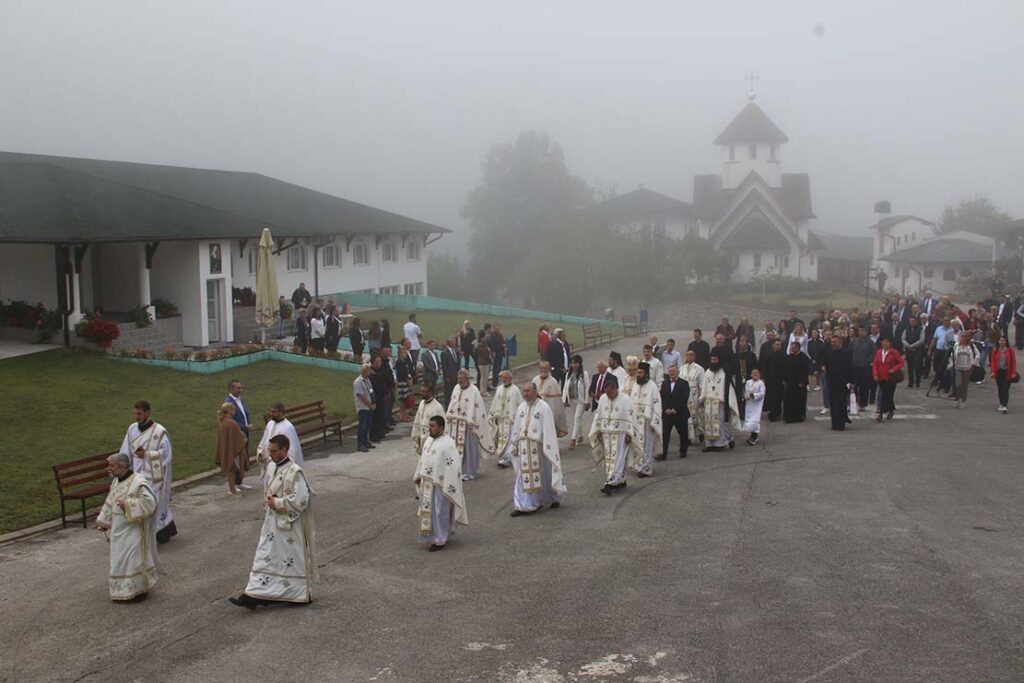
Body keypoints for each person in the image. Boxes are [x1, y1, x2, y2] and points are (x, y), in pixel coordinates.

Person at [229, 434, 316, 609]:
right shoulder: (270, 467)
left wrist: (277, 503)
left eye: (274, 450)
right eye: (270, 450)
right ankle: (253, 594)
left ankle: (295, 593)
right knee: (265, 556)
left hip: (289, 527)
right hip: (271, 525)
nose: (271, 453)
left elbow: (301, 499)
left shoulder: (294, 472)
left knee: (288, 561)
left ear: (284, 450)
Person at [95, 453, 158, 602]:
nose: (108, 468)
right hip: (119, 530)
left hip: (134, 530)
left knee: (133, 561)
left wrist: (128, 505)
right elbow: (110, 502)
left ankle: (139, 591)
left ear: (122, 466)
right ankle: (121, 591)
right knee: (119, 560)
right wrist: (104, 522)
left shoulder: (139, 482)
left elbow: (150, 502)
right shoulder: (116, 481)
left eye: (111, 465)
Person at [504, 382, 567, 516]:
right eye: (524, 391)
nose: (525, 394)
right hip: (523, 447)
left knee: (545, 474)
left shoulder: (544, 407)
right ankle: (524, 504)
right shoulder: (521, 407)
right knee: (523, 475)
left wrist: (547, 446)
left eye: (528, 391)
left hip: (539, 447)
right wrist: (514, 445)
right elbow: (516, 427)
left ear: (535, 391)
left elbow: (549, 429)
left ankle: (552, 497)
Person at [119, 401, 176, 544]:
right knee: (140, 504)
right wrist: (122, 467)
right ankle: (143, 536)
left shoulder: (159, 431)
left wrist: (147, 454)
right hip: (137, 475)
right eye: (135, 413)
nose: (136, 416)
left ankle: (159, 533)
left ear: (148, 413)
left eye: (139, 413)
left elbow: (166, 454)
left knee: (154, 504)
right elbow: (125, 450)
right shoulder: (132, 429)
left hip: (154, 476)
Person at [588, 377, 638, 495]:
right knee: (610, 458)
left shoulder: (626, 400)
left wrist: (630, 434)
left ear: (615, 389)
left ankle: (610, 483)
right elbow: (598, 415)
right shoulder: (603, 398)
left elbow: (631, 418)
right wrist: (598, 430)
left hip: (621, 434)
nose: (608, 396)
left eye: (610, 393)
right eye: (606, 393)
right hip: (607, 434)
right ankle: (620, 480)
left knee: (619, 458)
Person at [445, 369, 493, 480]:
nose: (459, 381)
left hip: (468, 425)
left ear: (467, 378)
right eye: (458, 379)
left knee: (469, 448)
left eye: (461, 379)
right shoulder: (456, 388)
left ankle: (469, 471)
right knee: (454, 448)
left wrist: (473, 422)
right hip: (456, 424)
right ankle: (457, 470)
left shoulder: (474, 390)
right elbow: (453, 402)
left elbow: (478, 408)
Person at [701, 352, 742, 451]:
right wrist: (702, 397)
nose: (713, 362)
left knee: (721, 423)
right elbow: (704, 386)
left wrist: (727, 400)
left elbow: (728, 388)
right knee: (708, 423)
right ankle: (710, 444)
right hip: (709, 402)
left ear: (719, 360)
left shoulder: (724, 372)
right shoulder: (707, 372)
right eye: (711, 360)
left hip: (721, 402)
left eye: (715, 360)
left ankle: (722, 442)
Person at [628, 362, 662, 477]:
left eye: (640, 372)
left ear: (646, 374)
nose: (638, 374)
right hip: (637, 421)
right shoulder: (636, 386)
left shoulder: (652, 386)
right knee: (637, 444)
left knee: (647, 445)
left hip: (647, 422)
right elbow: (631, 403)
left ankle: (646, 468)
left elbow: (657, 405)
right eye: (637, 372)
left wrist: (654, 423)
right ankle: (638, 466)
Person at [491, 371, 524, 467]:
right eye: (502, 378)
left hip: (510, 420)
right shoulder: (499, 389)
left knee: (510, 439)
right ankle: (502, 457)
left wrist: (518, 418)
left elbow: (519, 405)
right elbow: (495, 402)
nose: (504, 379)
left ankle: (508, 458)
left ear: (510, 378)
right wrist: (494, 415)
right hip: (501, 419)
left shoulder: (515, 390)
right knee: (501, 439)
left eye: (506, 377)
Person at [225, 379, 253, 491]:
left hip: (244, 432)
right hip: (236, 434)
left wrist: (249, 423)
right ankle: (234, 484)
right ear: (231, 389)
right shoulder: (228, 402)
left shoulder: (240, 400)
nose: (240, 390)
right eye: (237, 388)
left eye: (241, 387)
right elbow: (230, 420)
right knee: (236, 458)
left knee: (243, 456)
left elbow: (246, 412)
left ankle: (240, 481)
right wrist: (245, 426)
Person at [257, 402, 304, 469]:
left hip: (280, 466)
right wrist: (260, 455)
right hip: (268, 465)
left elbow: (292, 451)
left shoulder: (288, 427)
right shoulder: (270, 424)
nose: (271, 414)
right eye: (270, 411)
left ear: (281, 412)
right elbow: (263, 442)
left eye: (274, 412)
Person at [822, 335, 854, 431]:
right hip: (832, 381)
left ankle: (841, 423)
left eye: (835, 342)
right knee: (833, 403)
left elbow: (851, 367)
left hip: (843, 381)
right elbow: (826, 365)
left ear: (840, 342)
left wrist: (851, 381)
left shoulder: (847, 352)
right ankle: (834, 423)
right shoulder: (829, 353)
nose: (833, 344)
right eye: (832, 342)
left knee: (841, 403)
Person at [217, 403, 248, 495]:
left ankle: (233, 487)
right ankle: (232, 489)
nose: (234, 411)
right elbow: (238, 436)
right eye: (233, 409)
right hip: (233, 449)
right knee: (232, 468)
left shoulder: (223, 421)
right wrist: (243, 439)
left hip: (227, 448)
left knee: (231, 468)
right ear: (229, 411)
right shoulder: (231, 422)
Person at [660, 364, 690, 458]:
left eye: (674, 371)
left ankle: (683, 451)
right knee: (665, 434)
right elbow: (662, 397)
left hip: (680, 413)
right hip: (667, 414)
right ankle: (663, 453)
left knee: (683, 433)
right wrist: (666, 409)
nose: (672, 373)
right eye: (670, 371)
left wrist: (675, 409)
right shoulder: (664, 383)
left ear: (678, 372)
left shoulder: (684, 383)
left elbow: (684, 398)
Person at [872, 336, 905, 422]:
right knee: (887, 395)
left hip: (891, 378)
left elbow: (901, 362)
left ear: (890, 343)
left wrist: (894, 369)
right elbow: (875, 364)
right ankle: (890, 410)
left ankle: (881, 414)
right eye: (883, 342)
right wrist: (875, 374)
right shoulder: (879, 352)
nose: (885, 343)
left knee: (886, 395)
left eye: (887, 342)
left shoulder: (894, 352)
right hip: (881, 377)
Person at [561, 355, 590, 449]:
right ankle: (580, 436)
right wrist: (564, 399)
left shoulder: (583, 374)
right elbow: (565, 387)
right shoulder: (568, 374)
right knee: (576, 418)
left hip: (580, 400)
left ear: (580, 364)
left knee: (577, 418)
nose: (574, 365)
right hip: (572, 399)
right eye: (572, 363)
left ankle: (573, 440)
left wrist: (587, 400)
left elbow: (587, 388)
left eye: (576, 363)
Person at [533, 361, 568, 437]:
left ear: (549, 369)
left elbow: (555, 402)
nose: (544, 370)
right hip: (535, 411)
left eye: (546, 368)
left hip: (547, 412)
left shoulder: (553, 382)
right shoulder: (535, 380)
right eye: (542, 368)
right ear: (539, 369)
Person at [680, 350, 705, 443]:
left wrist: (701, 397)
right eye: (687, 355)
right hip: (685, 396)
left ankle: (700, 432)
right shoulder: (682, 368)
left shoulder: (699, 369)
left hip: (695, 395)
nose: (689, 357)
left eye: (691, 355)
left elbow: (702, 384)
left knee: (696, 417)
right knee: (686, 417)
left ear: (694, 357)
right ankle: (688, 437)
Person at [783, 341, 811, 423]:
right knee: (788, 400)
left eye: (793, 347)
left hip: (799, 384)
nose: (791, 349)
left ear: (798, 348)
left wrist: (802, 381)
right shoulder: (789, 357)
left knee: (799, 400)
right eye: (791, 347)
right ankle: (788, 416)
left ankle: (799, 416)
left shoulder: (803, 357)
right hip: (790, 383)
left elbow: (805, 371)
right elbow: (786, 369)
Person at [850, 326, 877, 410]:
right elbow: (849, 352)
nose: (861, 332)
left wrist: (867, 362)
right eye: (859, 331)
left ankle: (863, 404)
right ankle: (855, 402)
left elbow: (873, 354)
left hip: (865, 368)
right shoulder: (854, 341)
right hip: (854, 367)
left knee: (864, 387)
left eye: (863, 331)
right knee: (854, 385)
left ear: (866, 332)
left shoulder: (870, 342)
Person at [951, 331, 980, 408]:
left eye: (965, 336)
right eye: (962, 336)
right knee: (958, 384)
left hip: (968, 367)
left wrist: (973, 363)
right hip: (958, 367)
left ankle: (963, 400)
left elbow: (977, 354)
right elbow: (952, 354)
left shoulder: (971, 346)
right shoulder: (956, 345)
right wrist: (952, 363)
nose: (963, 338)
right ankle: (957, 399)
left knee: (964, 385)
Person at [990, 335, 1018, 413]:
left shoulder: (1010, 351)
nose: (1001, 342)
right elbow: (992, 362)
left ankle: (1005, 405)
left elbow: (1013, 362)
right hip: (999, 372)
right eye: (1000, 340)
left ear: (1006, 342)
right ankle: (1001, 403)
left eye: (1003, 340)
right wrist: (992, 371)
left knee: (1005, 388)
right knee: (1000, 388)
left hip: (1007, 372)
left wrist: (1013, 372)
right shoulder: (995, 350)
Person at [761, 339, 786, 422]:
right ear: (773, 345)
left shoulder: (784, 356)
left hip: (780, 380)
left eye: (779, 345)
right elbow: (764, 367)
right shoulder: (769, 355)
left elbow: (786, 368)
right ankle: (773, 413)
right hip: (770, 379)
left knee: (779, 397)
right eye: (776, 345)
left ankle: (778, 411)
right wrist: (763, 378)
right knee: (772, 397)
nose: (778, 346)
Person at [354, 364, 376, 452]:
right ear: (364, 371)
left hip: (369, 406)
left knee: (368, 425)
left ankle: (366, 441)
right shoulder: (358, 382)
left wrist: (374, 402)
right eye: (368, 370)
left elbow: (371, 391)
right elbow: (361, 395)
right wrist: (369, 405)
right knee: (362, 426)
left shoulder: (367, 380)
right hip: (363, 407)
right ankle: (360, 444)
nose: (370, 372)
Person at [901, 314, 927, 389]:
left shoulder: (920, 329)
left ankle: (917, 383)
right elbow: (903, 338)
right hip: (909, 351)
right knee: (910, 367)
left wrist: (912, 346)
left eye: (912, 321)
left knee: (917, 367)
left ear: (916, 321)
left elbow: (922, 340)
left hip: (917, 351)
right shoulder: (907, 328)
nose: (911, 323)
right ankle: (910, 383)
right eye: (910, 321)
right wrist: (907, 345)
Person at [743, 368, 765, 444]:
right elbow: (745, 391)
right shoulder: (748, 382)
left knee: (755, 420)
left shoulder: (761, 383)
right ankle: (751, 436)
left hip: (756, 405)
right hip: (749, 404)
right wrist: (746, 395)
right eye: (753, 373)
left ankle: (754, 437)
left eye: (757, 374)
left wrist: (754, 395)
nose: (755, 375)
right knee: (749, 420)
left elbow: (762, 393)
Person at [395, 347, 415, 422]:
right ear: (400, 353)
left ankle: (405, 414)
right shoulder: (399, 362)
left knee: (405, 399)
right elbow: (402, 374)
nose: (405, 354)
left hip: (406, 381)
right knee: (403, 400)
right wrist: (408, 381)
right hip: (402, 382)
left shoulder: (404, 361)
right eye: (404, 352)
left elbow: (407, 372)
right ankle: (402, 415)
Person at [440, 336, 461, 409]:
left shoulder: (455, 351)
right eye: (454, 342)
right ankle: (447, 407)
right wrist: (446, 376)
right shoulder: (444, 353)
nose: (455, 343)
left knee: (455, 391)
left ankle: (454, 406)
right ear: (449, 343)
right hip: (449, 376)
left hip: (456, 375)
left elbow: (457, 363)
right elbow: (444, 366)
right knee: (448, 393)